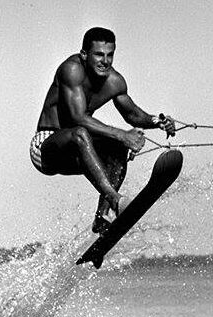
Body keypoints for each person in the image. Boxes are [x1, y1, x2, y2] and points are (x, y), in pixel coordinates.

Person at [30, 27, 177, 234]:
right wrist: (123, 135)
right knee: (83, 132)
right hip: (46, 148)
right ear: (84, 54)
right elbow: (77, 117)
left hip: (80, 152)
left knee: (117, 147)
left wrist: (157, 121)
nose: (105, 61)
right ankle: (116, 200)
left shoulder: (115, 81)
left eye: (110, 55)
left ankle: (102, 217)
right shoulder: (71, 70)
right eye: (99, 54)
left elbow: (132, 114)